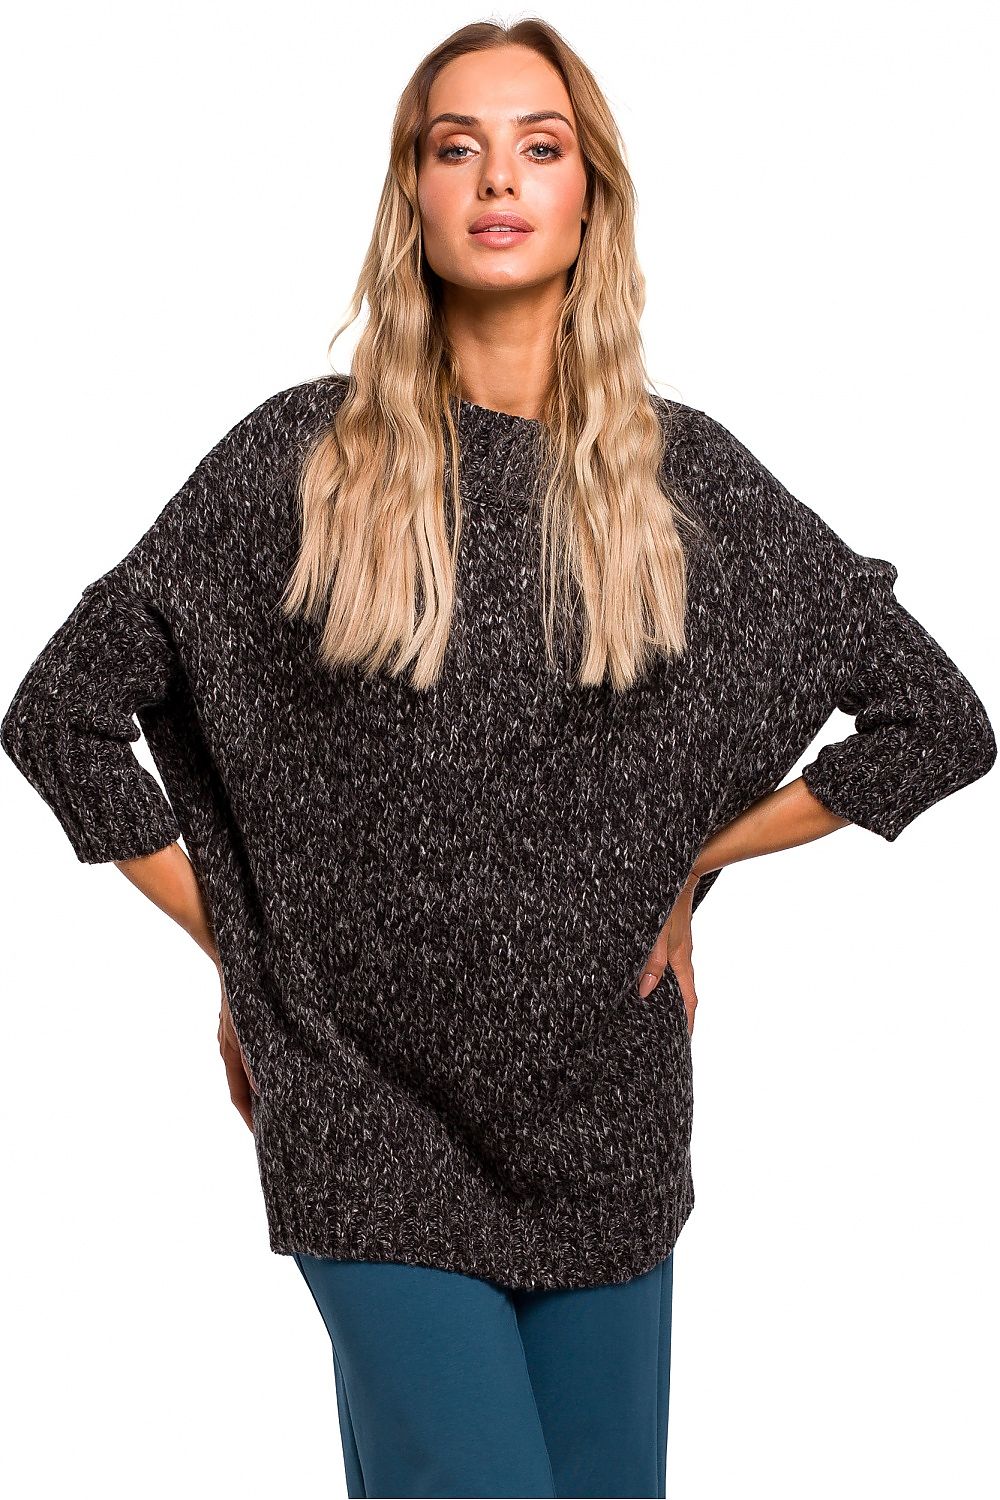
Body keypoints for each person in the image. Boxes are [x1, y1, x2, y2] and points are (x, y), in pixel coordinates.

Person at [2, 17, 995, 1500]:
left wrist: (694, 861)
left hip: (604, 1116)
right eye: (454, 146)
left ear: (593, 196)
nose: (497, 179)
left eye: (540, 146)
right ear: (412, 193)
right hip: (362, 1113)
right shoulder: (299, 463)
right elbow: (62, 717)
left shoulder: (684, 481)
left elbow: (936, 722)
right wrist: (253, 957)